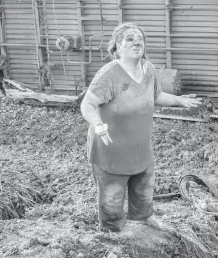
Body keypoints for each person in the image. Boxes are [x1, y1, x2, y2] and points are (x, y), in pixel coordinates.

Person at [80, 23, 202, 232]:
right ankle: (112, 230)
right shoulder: (109, 75)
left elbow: (156, 96)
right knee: (113, 194)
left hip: (139, 145)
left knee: (144, 185)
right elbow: (87, 104)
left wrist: (179, 101)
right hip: (111, 147)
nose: (137, 42)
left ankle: (143, 218)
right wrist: (98, 124)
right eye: (129, 39)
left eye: (140, 39)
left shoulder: (148, 69)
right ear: (117, 47)